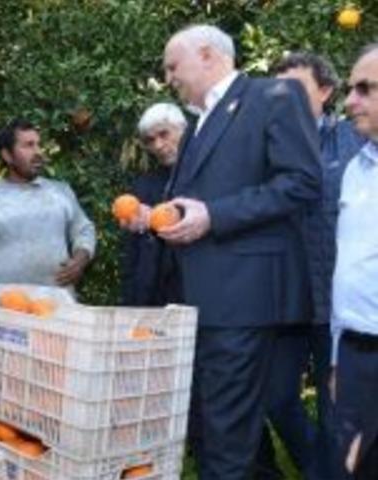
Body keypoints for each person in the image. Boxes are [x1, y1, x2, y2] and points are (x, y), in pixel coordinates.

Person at [149, 25, 321, 479]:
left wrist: (215, 216)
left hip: (245, 299)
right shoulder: (198, 123)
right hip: (202, 301)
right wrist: (157, 217)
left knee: (226, 438)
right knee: (216, 432)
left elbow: (302, 182)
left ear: (207, 55)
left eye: (173, 66)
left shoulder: (274, 97)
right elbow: (193, 204)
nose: (169, 78)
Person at [252, 51, 367, 480]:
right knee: (276, 397)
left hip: (339, 307)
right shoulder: (263, 148)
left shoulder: (353, 142)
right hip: (286, 302)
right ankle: (320, 469)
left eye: (298, 89)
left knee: (338, 416)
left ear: (326, 91)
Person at [0, 118, 95, 288]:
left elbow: (84, 230)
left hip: (59, 308)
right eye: (28, 146)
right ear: (7, 155)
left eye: (38, 145)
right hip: (4, 310)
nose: (37, 152)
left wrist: (80, 260)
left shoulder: (60, 193)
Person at [331, 43, 378, 480]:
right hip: (355, 357)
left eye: (366, 89)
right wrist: (335, 356)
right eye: (350, 89)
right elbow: (349, 268)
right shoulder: (355, 170)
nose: (350, 101)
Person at [120, 103, 186, 306]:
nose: (158, 145)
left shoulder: (207, 178)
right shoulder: (143, 185)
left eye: (164, 134)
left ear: (183, 131)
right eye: (150, 140)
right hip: (150, 299)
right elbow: (133, 253)